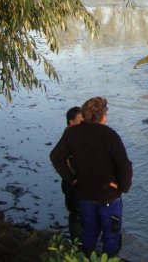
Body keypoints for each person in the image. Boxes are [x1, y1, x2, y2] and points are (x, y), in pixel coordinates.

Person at [50, 97, 133, 258]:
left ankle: (86, 258)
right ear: (102, 116)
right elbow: (124, 166)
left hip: (84, 194)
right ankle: (108, 259)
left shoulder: (72, 134)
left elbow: (56, 157)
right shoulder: (110, 135)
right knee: (111, 235)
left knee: (88, 232)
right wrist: (123, 187)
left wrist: (72, 179)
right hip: (108, 195)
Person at [59, 106, 83, 241]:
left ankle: (79, 243)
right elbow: (58, 159)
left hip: (74, 183)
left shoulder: (73, 135)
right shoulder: (69, 138)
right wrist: (72, 179)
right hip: (72, 184)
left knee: (78, 214)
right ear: (71, 122)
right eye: (80, 120)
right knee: (76, 215)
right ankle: (77, 245)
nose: (83, 123)